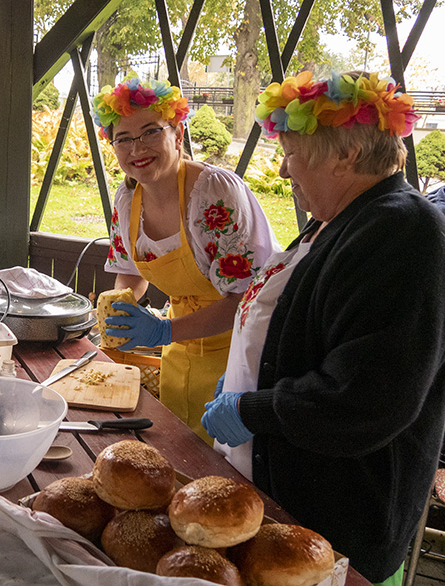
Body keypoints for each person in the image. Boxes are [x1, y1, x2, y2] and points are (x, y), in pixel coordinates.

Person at [201, 70, 445, 586]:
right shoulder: (339, 218)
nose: (286, 170)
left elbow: (367, 398)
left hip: (339, 526)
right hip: (282, 509)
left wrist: (253, 407)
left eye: (291, 153)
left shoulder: (404, 230)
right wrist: (246, 379)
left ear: (346, 155)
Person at [93, 76, 279, 443]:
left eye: (150, 132)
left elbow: (244, 298)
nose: (137, 148)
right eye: (124, 139)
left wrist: (163, 331)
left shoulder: (213, 192)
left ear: (177, 135)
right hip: (178, 356)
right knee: (177, 457)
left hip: (237, 358)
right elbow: (130, 270)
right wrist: (121, 311)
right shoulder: (126, 200)